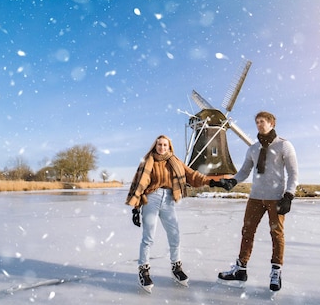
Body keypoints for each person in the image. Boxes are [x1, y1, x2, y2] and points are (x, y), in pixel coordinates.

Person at [213, 111, 298, 292]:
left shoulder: (284, 145)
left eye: (263, 121)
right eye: (257, 122)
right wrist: (233, 180)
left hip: (276, 198)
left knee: (277, 234)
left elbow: (293, 173)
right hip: (255, 198)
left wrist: (289, 195)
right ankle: (240, 269)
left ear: (272, 123)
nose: (259, 124)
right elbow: (244, 171)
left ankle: (276, 271)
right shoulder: (253, 148)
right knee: (247, 231)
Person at [126, 134, 213, 293]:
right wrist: (136, 208)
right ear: (155, 146)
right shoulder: (148, 161)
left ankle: (176, 267)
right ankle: (143, 269)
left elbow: (191, 175)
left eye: (165, 145)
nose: (162, 147)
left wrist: (212, 181)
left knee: (175, 235)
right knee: (148, 237)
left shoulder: (175, 161)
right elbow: (139, 182)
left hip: (169, 200)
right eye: (159, 145)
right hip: (151, 199)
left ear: (169, 147)